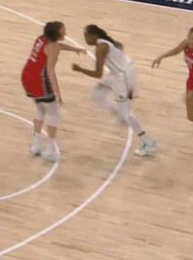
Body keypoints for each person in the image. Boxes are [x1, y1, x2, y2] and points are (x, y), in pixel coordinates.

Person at [72, 25, 156, 157]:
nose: (85, 39)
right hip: (119, 72)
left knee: (127, 113)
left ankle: (149, 143)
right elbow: (120, 47)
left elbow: (97, 73)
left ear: (94, 36)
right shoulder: (106, 42)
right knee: (97, 94)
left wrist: (79, 69)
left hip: (122, 76)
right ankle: (117, 114)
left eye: (86, 36)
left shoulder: (101, 48)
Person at [21, 21, 85, 162]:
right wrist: (57, 93)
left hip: (27, 76)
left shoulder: (42, 38)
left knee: (40, 110)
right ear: (57, 34)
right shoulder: (53, 47)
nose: (65, 33)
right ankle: (50, 150)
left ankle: (36, 146)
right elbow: (50, 71)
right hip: (40, 81)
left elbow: (57, 46)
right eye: (63, 31)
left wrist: (74, 49)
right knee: (54, 113)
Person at [150, 27, 193, 139]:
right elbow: (176, 50)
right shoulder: (186, 44)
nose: (191, 41)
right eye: (189, 38)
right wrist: (161, 57)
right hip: (191, 83)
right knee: (191, 116)